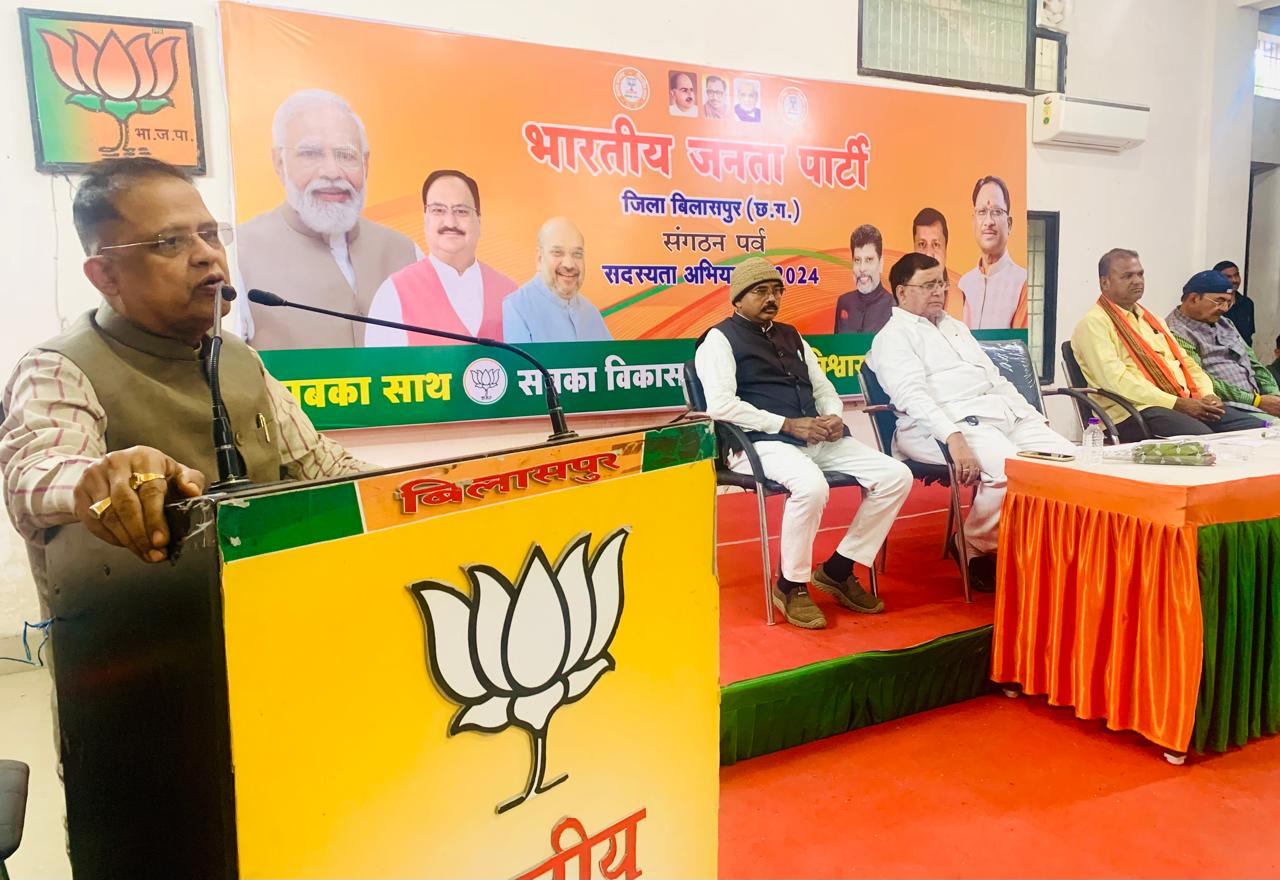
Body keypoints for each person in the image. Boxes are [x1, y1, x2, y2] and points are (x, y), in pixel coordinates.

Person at [0, 158, 371, 595]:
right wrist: (101, 479)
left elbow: (327, 469)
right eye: (171, 241)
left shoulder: (237, 356)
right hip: (136, 628)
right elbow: (35, 477)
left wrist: (434, 486)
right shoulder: (58, 367)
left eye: (210, 234)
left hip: (270, 608)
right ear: (106, 275)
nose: (206, 254)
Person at [694, 257, 911, 629]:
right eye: (760, 291)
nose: (771, 298)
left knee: (896, 476)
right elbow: (720, 406)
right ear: (738, 299)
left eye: (776, 291)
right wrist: (787, 425)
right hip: (758, 444)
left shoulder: (792, 335)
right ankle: (790, 585)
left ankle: (838, 570)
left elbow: (823, 388)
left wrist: (833, 415)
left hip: (814, 438)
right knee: (811, 486)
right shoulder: (718, 340)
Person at [867, 253, 1074, 592]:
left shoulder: (955, 327)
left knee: (1071, 465)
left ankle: (1041, 545)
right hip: (941, 426)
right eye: (929, 285)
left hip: (999, 414)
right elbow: (912, 398)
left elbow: (996, 380)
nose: (939, 291)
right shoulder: (892, 338)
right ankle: (973, 544)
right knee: (1011, 472)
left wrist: (1034, 419)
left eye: (942, 283)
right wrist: (953, 436)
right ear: (902, 292)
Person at [239, 89, 419, 350]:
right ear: (279, 162)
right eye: (311, 154)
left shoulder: (407, 253)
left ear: (366, 164)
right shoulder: (238, 255)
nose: (332, 172)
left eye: (346, 155)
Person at [1071, 249, 1265, 440]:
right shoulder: (1094, 323)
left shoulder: (1151, 320)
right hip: (1132, 411)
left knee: (1258, 430)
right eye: (1127, 276)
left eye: (1140, 274)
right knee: (1205, 440)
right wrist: (1176, 403)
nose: (1137, 281)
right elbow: (1115, 382)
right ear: (1105, 282)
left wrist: (1207, 395)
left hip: (1181, 401)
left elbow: (1187, 364)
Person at [366, 170, 517, 346]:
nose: (450, 222)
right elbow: (379, 362)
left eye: (461, 211)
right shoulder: (393, 294)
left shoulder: (510, 293)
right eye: (438, 210)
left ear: (479, 221)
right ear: (425, 219)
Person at [1166, 270, 1280, 417]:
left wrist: (1273, 395)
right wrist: (1256, 401)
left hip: (1258, 403)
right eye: (1219, 301)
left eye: (1228, 302)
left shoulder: (1225, 323)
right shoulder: (1175, 331)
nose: (1225, 308)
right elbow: (1199, 379)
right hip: (1224, 407)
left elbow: (1253, 362)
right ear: (1193, 299)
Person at [503, 218, 611, 344]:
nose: (569, 264)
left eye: (577, 254)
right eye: (557, 253)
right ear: (539, 258)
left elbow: (611, 355)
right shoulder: (517, 307)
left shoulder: (591, 312)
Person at [956, 175, 1028, 329]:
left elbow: (1020, 342)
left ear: (1009, 224)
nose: (988, 222)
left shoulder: (1022, 283)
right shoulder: (964, 285)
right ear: (973, 222)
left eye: (996, 212)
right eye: (982, 212)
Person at [833, 224, 892, 334]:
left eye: (869, 260)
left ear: (881, 263)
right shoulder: (844, 302)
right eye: (857, 260)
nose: (862, 268)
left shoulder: (894, 307)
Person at [912, 207, 964, 320]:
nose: (928, 254)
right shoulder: (901, 300)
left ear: (945, 249)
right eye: (922, 244)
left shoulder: (963, 301)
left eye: (936, 244)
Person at [1216, 260, 1255, 347]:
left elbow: (1248, 335)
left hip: (1244, 353)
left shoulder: (1247, 303)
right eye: (1228, 277)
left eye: (1236, 275)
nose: (1234, 280)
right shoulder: (1211, 304)